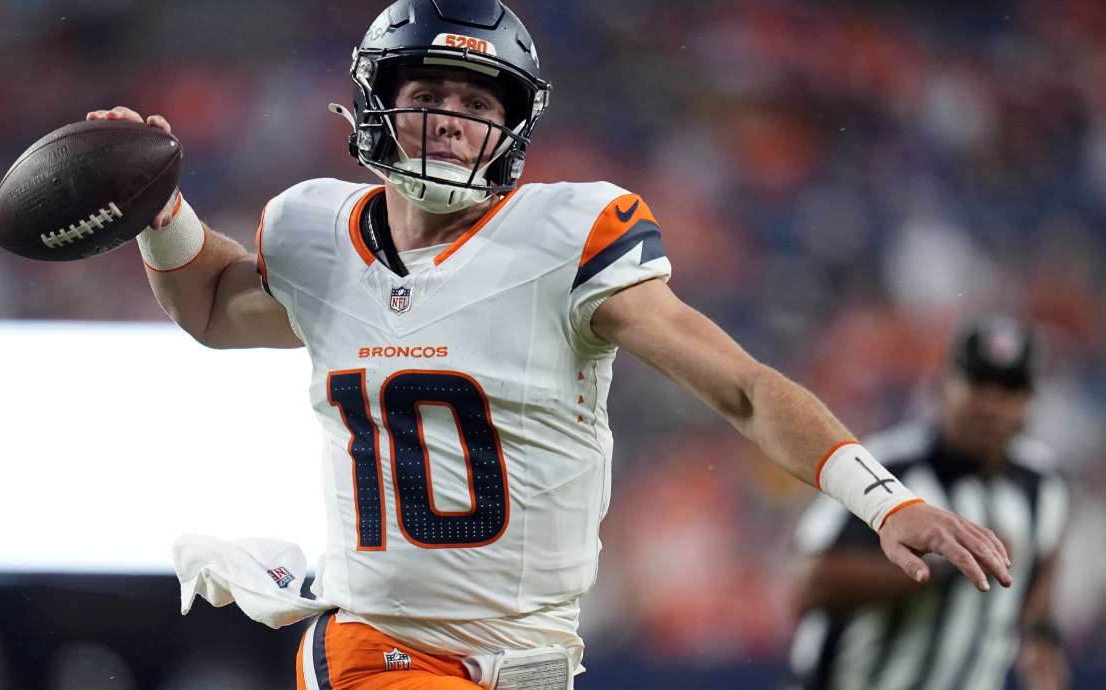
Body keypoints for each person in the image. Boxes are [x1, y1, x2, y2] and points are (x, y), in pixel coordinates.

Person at [85, 1, 1012, 687]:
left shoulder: (564, 241)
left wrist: (884, 503)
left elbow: (740, 387)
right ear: (376, 103)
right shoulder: (315, 234)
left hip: (534, 661)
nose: (450, 116)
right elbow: (210, 304)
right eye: (427, 93)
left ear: (513, 122)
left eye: (472, 97)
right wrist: (160, 216)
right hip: (379, 646)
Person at [788, 315, 1069, 690]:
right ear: (943, 386)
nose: (992, 405)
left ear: (1030, 401)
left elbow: (1040, 572)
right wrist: (943, 568)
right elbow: (810, 584)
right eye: (979, 384)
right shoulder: (884, 467)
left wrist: (1041, 638)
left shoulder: (1042, 484)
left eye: (1010, 390)